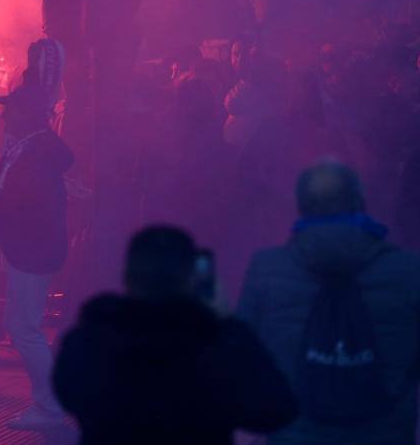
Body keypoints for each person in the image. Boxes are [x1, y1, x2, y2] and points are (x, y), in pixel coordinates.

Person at [54, 225, 299, 444]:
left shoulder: (90, 339)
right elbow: (277, 410)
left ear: (126, 276)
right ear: (193, 278)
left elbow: (67, 395)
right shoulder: (217, 343)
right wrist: (227, 323)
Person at [238, 160, 420, 444]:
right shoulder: (409, 270)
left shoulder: (267, 269)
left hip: (294, 434)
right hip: (384, 434)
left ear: (302, 206)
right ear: (359, 201)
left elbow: (245, 353)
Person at [0, 83, 72, 430]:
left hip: (34, 247)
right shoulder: (32, 146)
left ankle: (50, 405)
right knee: (22, 325)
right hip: (30, 246)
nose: (5, 115)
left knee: (24, 328)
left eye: (12, 108)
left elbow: (29, 202)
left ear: (28, 113)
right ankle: (49, 402)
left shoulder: (37, 150)